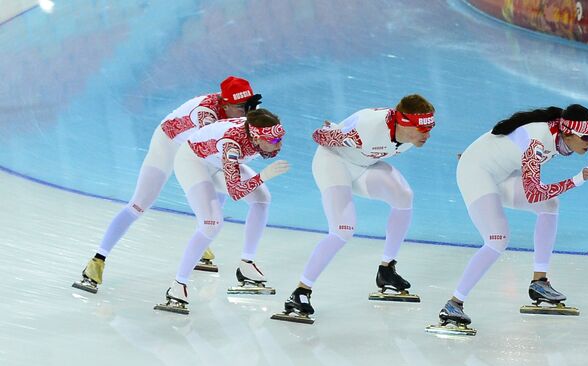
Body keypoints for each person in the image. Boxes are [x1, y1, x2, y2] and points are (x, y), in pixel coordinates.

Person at [75, 76, 262, 293]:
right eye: (241, 108)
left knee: (219, 184)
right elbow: (210, 151)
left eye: (250, 106)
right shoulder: (206, 113)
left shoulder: (246, 112)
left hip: (198, 151)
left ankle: (203, 241)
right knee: (139, 204)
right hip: (169, 144)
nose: (247, 113)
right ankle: (97, 261)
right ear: (225, 105)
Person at [430, 104, 588, 335]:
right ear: (568, 131)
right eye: (587, 137)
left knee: (549, 206)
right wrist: (577, 180)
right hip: (476, 173)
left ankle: (539, 282)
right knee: (497, 238)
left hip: (500, 174)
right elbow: (534, 193)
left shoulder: (556, 135)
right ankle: (453, 304)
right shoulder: (538, 143)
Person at [274, 95, 435, 324]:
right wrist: (337, 134)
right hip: (333, 162)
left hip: (362, 166)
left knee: (403, 196)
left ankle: (387, 269)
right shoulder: (368, 128)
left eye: (430, 128)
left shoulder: (410, 137)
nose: (427, 135)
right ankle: (300, 292)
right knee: (343, 229)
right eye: (422, 129)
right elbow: (318, 136)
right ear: (405, 123)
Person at [154, 109, 288, 314]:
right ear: (257, 137)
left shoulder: (254, 132)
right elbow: (235, 191)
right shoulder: (231, 144)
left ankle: (247, 264)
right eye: (274, 139)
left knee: (262, 199)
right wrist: (263, 176)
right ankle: (178, 286)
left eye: (280, 137)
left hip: (217, 162)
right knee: (211, 223)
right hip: (193, 163)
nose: (279, 144)